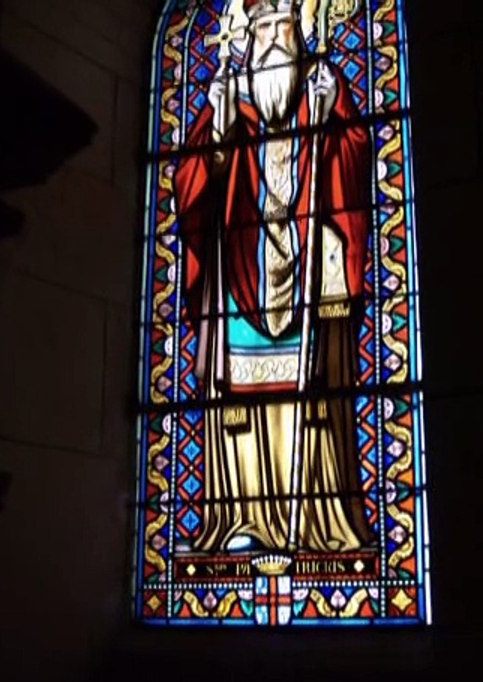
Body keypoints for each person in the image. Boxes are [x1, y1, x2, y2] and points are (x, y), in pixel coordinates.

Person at [173, 0, 374, 554]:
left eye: (282, 25)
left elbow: (357, 160)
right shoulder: (230, 101)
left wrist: (333, 119)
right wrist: (218, 131)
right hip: (241, 261)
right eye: (260, 27)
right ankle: (240, 518)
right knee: (239, 389)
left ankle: (314, 516)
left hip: (309, 261)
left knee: (311, 388)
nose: (271, 38)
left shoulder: (323, 91)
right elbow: (189, 184)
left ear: (300, 31)